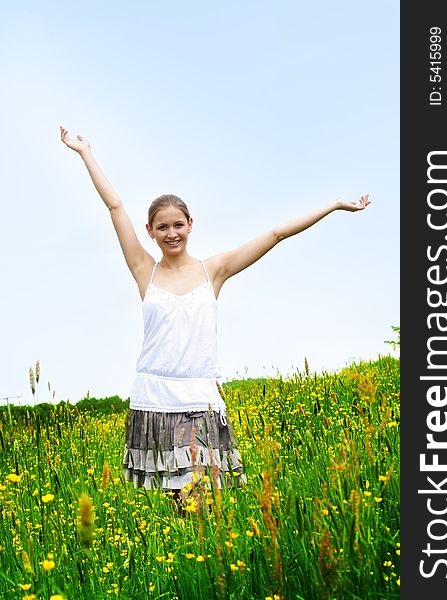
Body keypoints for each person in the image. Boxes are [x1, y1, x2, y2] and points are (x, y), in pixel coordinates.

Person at [59, 126, 370, 503]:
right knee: (182, 499)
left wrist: (335, 205)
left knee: (200, 493)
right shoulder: (145, 270)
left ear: (191, 225)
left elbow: (275, 234)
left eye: (178, 225)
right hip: (156, 395)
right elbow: (115, 207)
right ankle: (191, 558)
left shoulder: (214, 270)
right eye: (162, 227)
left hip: (200, 395)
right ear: (150, 232)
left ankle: (208, 554)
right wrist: (85, 152)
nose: (171, 233)